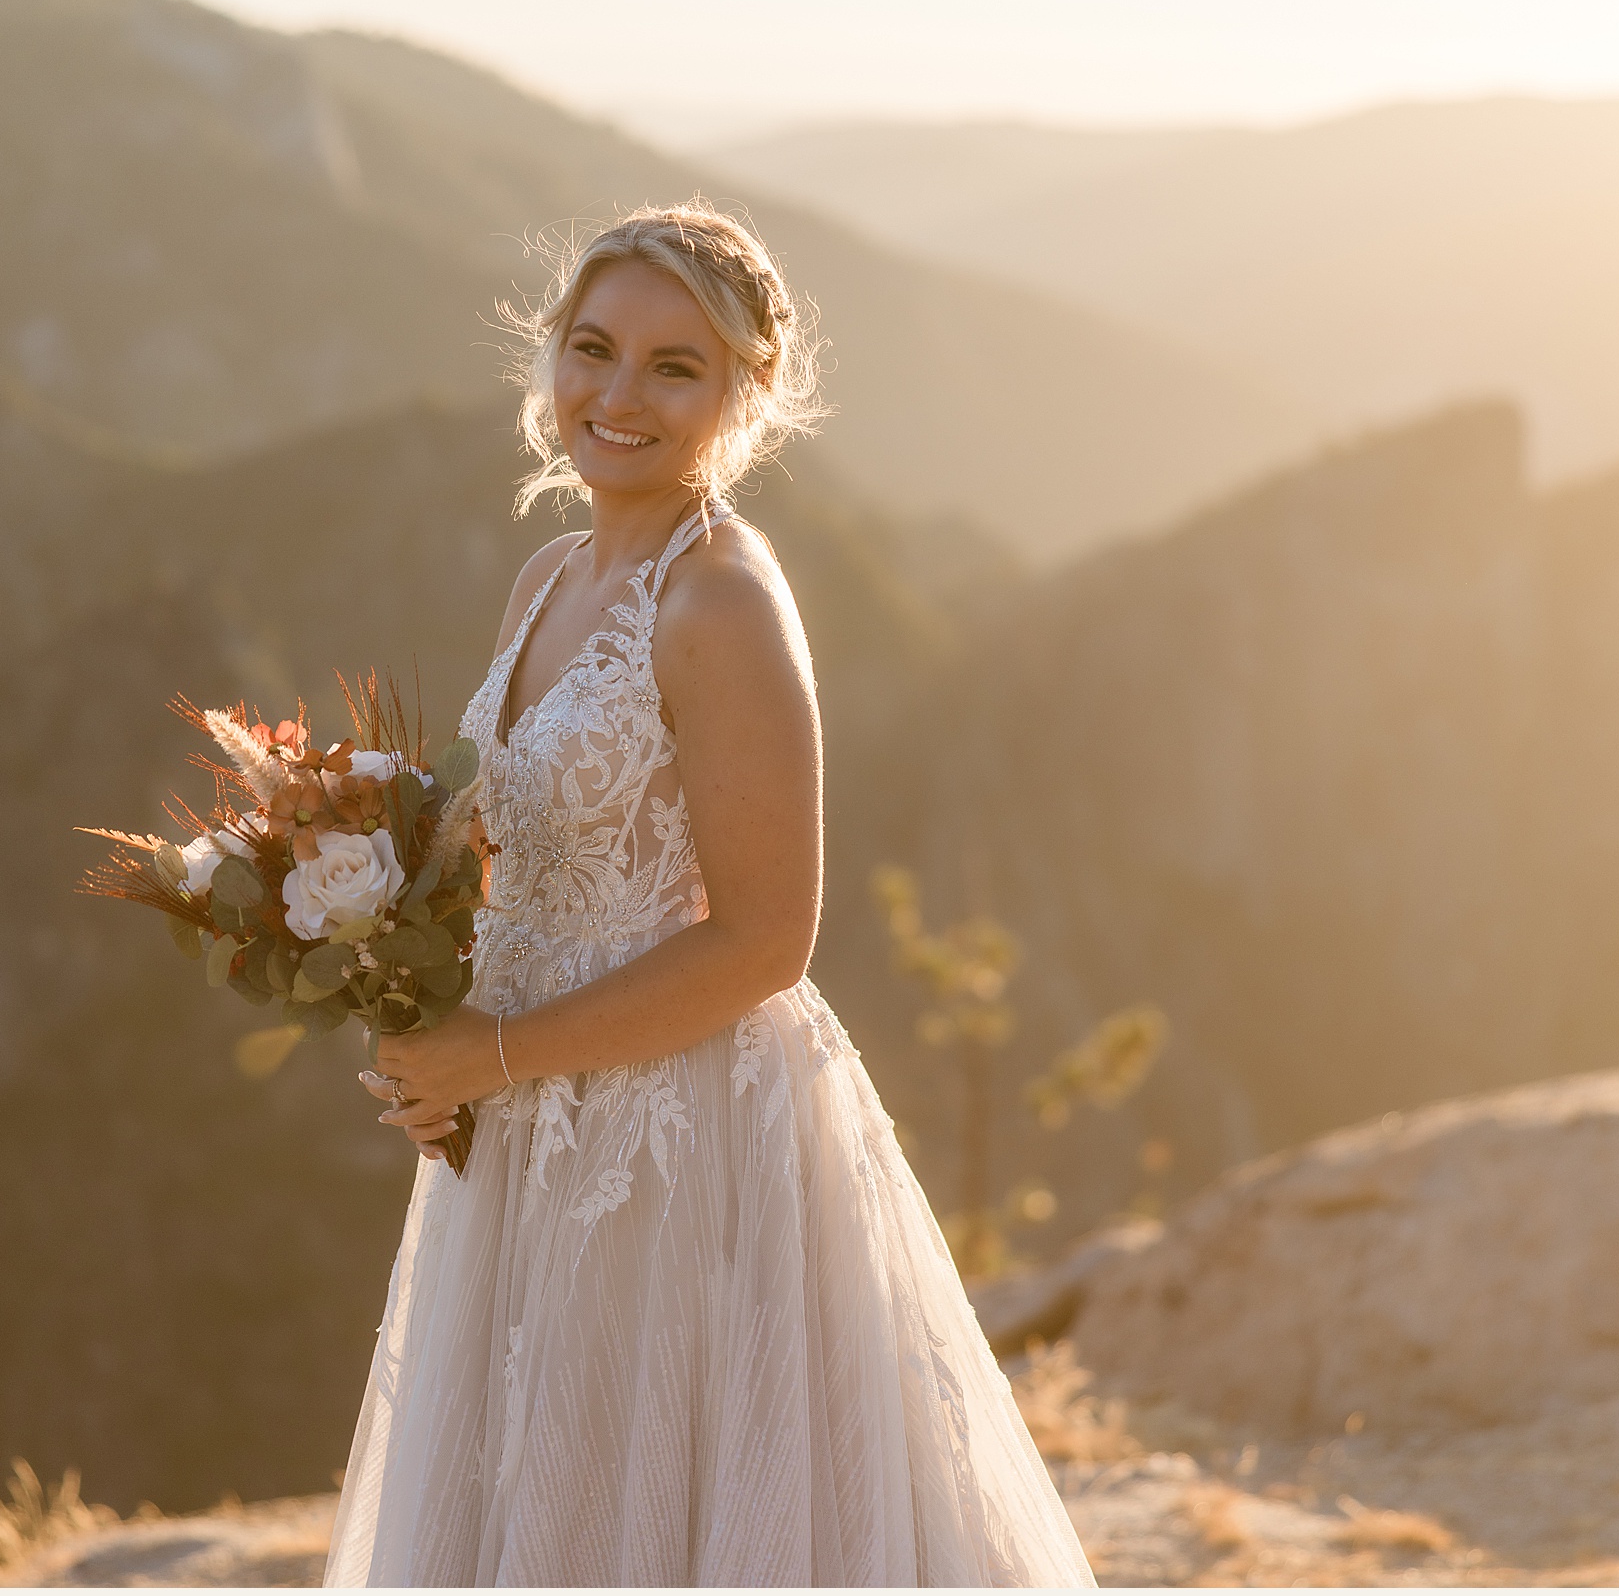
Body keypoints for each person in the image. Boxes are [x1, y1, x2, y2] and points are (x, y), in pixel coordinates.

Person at [322, 202, 1095, 1587]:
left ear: (744, 397)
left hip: (670, 1146)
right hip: (518, 1131)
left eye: (675, 368)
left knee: (643, 1513)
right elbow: (507, 849)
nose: (620, 395)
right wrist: (380, 956)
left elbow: (764, 939)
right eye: (595, 348)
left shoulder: (725, 602)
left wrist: (490, 1052)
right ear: (549, 359)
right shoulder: (550, 576)